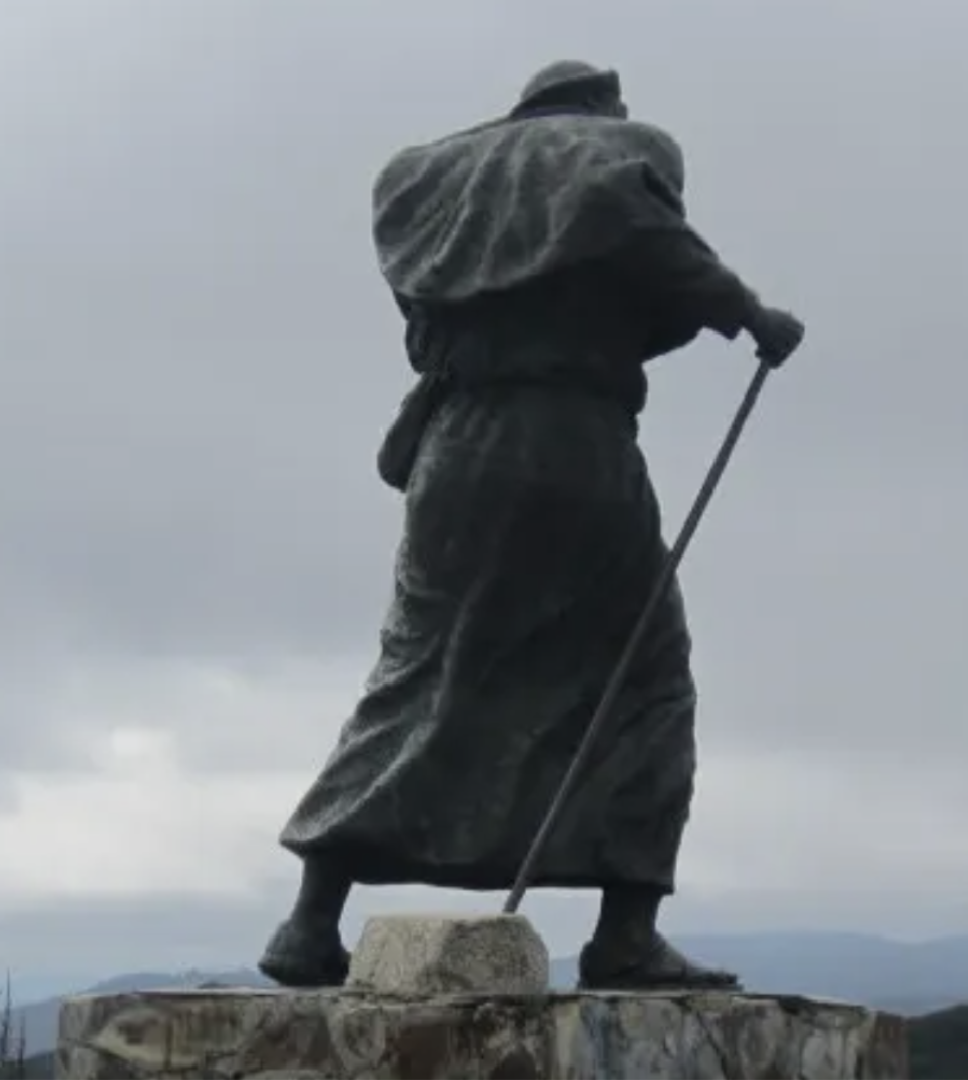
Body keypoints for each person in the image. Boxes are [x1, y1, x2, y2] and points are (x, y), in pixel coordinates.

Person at [260, 60, 806, 991]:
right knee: (644, 677)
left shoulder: (432, 184)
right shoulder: (617, 152)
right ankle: (626, 935)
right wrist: (746, 313)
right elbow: (648, 236)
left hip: (455, 454)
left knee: (424, 668)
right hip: (572, 441)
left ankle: (310, 922)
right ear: (599, 108)